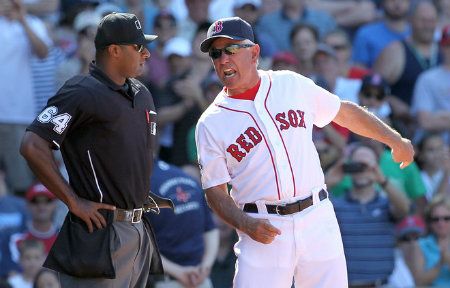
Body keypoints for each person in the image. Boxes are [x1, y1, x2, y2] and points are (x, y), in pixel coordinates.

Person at [195, 16, 415, 287]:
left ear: (254, 52)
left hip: (316, 216)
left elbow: (343, 112)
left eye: (230, 49)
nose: (223, 59)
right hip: (261, 226)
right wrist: (246, 224)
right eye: (215, 54)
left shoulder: (290, 83)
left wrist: (395, 140)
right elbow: (215, 192)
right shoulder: (211, 122)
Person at [19, 12, 168, 287]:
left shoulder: (142, 93)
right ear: (114, 50)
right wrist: (73, 201)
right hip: (101, 230)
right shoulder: (82, 90)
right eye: (138, 47)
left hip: (138, 228)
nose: (146, 53)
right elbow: (32, 145)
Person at [332, 143, 410, 287]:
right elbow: (310, 207)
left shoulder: (386, 204)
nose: (362, 170)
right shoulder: (335, 205)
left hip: (381, 284)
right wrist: (330, 180)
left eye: (367, 165)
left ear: (377, 168)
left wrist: (382, 180)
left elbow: (404, 208)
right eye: (357, 165)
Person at [145, 158, 219, 288]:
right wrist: (206, 266)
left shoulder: (141, 187)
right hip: (200, 279)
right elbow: (211, 228)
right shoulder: (188, 178)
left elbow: (140, 246)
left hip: (167, 282)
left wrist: (179, 273)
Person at [408, 194, 450, 286]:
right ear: (429, 222)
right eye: (436, 219)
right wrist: (440, 263)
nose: (441, 223)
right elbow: (418, 282)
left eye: (446, 218)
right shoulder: (420, 245)